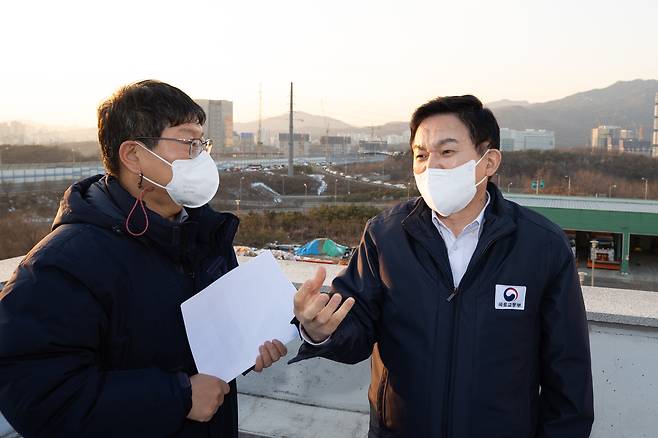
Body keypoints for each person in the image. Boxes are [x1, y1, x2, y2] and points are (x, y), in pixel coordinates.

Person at [292, 95, 594, 437]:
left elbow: (568, 372)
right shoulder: (386, 236)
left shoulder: (541, 246)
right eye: (421, 155)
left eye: (447, 152)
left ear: (489, 161)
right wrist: (320, 332)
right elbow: (355, 328)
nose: (430, 166)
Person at [0, 80, 287, 438]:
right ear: (134, 155)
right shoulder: (63, 264)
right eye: (188, 143)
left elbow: (205, 341)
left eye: (203, 144)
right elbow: (38, 395)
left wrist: (251, 345)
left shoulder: (204, 236)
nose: (202, 158)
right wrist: (177, 398)